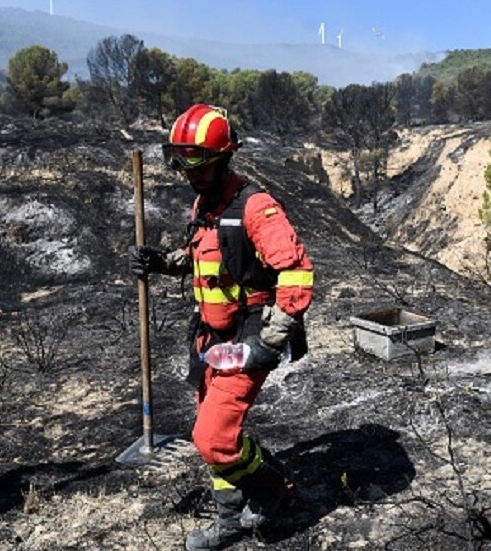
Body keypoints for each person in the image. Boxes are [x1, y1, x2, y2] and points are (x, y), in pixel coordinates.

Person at [128, 103, 314, 551]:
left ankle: (273, 488)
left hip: (246, 340)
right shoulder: (204, 202)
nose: (190, 174)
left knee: (211, 439)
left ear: (224, 158)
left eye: (199, 163)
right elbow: (203, 257)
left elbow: (296, 270)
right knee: (216, 436)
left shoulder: (256, 207)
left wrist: (271, 338)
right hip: (211, 340)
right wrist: (163, 262)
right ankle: (229, 520)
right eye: (182, 163)